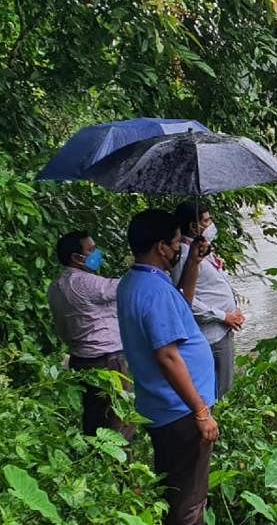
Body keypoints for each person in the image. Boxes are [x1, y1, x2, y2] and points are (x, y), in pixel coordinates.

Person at [116, 209, 218, 525]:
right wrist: (201, 412)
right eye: (176, 243)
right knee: (188, 503)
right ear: (161, 247)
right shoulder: (154, 290)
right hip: (180, 412)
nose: (179, 248)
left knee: (177, 492)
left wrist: (193, 264)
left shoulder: (137, 281)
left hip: (163, 408)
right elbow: (168, 357)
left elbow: (181, 308)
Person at [47, 231, 134, 440]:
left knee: (95, 419)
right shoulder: (83, 282)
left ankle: (95, 463)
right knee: (118, 421)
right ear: (77, 258)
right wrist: (140, 266)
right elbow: (124, 287)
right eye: (91, 250)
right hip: (108, 360)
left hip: (82, 359)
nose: (97, 254)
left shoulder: (56, 286)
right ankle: (118, 468)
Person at [171, 201, 245, 398]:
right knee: (217, 388)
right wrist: (223, 316)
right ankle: (208, 424)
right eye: (206, 220)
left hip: (222, 328)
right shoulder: (184, 256)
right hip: (211, 333)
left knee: (223, 384)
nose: (211, 223)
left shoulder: (200, 249)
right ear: (194, 226)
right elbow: (183, 298)